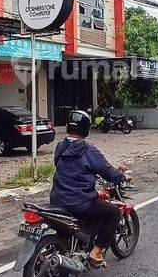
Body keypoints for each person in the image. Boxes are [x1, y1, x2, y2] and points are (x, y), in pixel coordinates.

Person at [50, 110, 132, 269]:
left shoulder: (60, 146)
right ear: (86, 128)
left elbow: (58, 164)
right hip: (80, 202)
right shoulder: (89, 150)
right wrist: (122, 177)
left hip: (57, 199)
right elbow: (107, 171)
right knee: (113, 213)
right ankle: (96, 252)